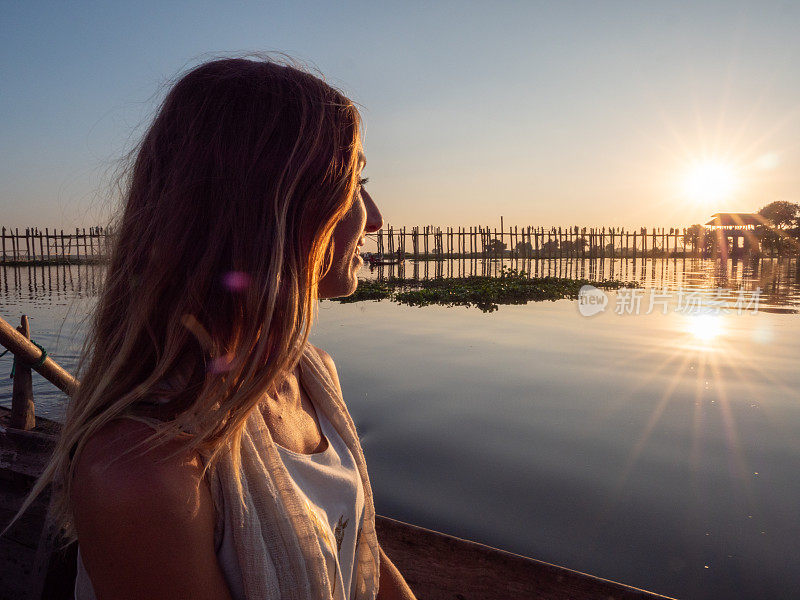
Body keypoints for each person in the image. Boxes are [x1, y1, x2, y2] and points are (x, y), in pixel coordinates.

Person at [14, 56, 416, 600]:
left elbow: (359, 557)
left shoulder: (313, 375)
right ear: (269, 209)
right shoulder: (142, 473)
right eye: (351, 184)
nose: (374, 216)